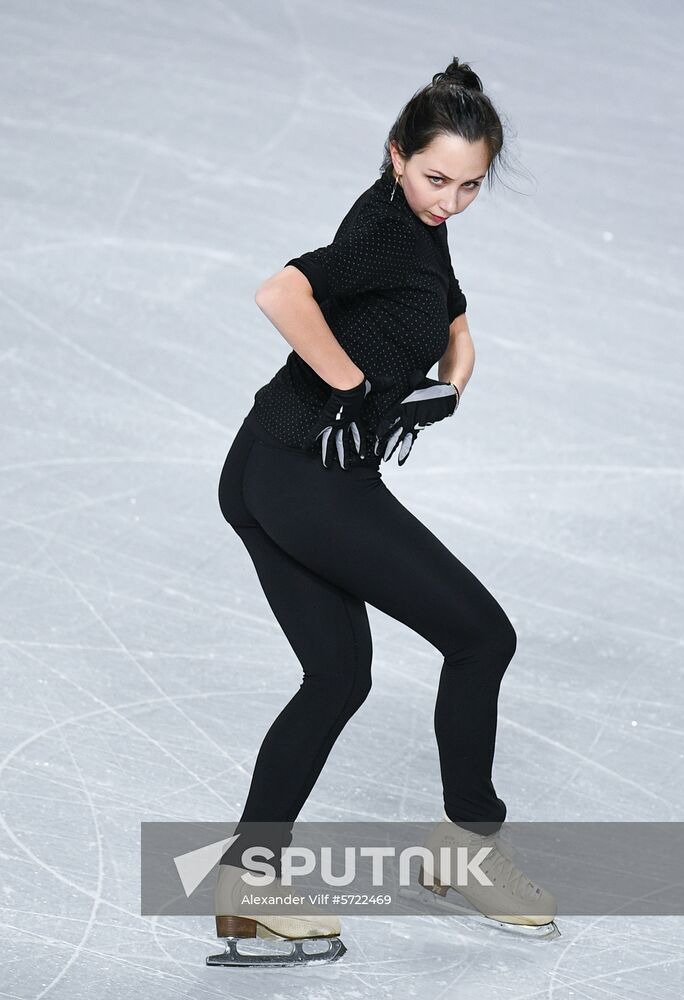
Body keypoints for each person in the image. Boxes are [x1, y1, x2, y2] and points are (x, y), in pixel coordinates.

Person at [208, 56, 557, 969]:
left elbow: (454, 321)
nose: (450, 200)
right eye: (435, 178)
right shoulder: (386, 236)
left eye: (471, 185)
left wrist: (445, 384)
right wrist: (358, 385)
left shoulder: (416, 224)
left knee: (336, 676)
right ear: (395, 154)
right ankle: (467, 854)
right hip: (307, 479)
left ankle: (249, 887)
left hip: (260, 468)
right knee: (482, 639)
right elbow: (280, 293)